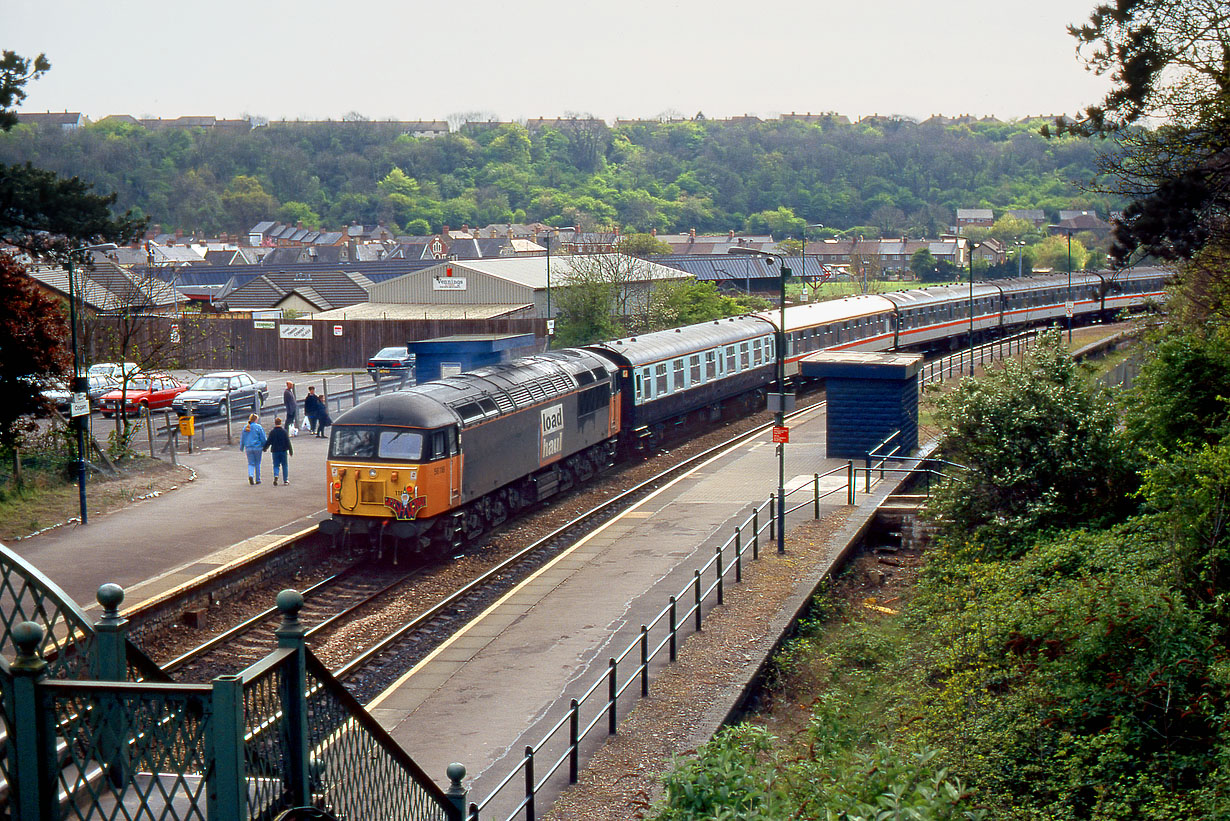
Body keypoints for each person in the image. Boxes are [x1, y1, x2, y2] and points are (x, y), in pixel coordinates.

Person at [263, 416, 293, 485]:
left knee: (276, 465)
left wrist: (265, 448)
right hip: (283, 450)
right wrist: (290, 450)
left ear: (275, 423)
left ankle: (276, 475)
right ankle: (285, 480)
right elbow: (287, 442)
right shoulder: (284, 432)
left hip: (275, 451)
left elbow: (269, 441)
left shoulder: (272, 432)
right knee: (284, 465)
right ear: (280, 423)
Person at [239, 413, 266, 485]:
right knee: (257, 463)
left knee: (251, 463)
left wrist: (241, 447)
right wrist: (265, 446)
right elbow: (263, 438)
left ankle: (251, 475)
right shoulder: (258, 427)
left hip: (248, 448)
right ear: (256, 420)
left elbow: (242, 438)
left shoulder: (245, 428)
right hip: (257, 448)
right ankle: (258, 479)